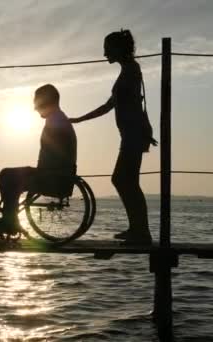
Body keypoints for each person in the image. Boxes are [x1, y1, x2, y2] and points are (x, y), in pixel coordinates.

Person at [69, 29, 157, 245]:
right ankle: (138, 230)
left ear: (118, 49)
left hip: (133, 134)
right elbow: (111, 105)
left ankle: (141, 231)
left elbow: (119, 105)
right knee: (127, 181)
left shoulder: (130, 71)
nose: (104, 53)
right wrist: (80, 119)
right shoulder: (128, 70)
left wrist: (80, 119)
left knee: (123, 180)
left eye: (107, 49)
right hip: (130, 134)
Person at [0, 84, 77, 232]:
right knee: (14, 176)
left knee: (6, 175)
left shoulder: (55, 121)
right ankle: (11, 219)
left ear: (47, 102)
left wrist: (35, 173)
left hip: (53, 177)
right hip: (61, 175)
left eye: (37, 103)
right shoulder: (60, 118)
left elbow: (52, 155)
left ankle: (10, 221)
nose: (35, 108)